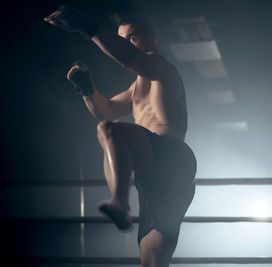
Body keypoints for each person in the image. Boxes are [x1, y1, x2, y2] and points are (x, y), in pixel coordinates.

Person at [44, 5, 197, 266]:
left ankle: (119, 203)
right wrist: (87, 89)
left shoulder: (160, 67)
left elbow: (130, 59)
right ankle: (120, 204)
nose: (126, 44)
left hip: (171, 157)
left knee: (108, 132)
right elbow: (107, 111)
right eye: (122, 39)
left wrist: (87, 26)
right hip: (153, 171)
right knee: (152, 261)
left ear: (151, 39)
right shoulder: (135, 87)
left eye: (132, 38)